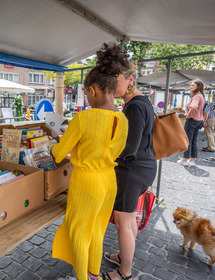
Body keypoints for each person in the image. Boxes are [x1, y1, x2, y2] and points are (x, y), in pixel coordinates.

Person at [51, 44, 130, 280]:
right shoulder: (123, 119)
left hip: (86, 182)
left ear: (93, 90)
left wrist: (56, 143)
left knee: (79, 233)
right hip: (108, 181)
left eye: (86, 93)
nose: (86, 97)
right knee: (97, 231)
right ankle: (93, 275)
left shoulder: (83, 118)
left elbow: (58, 154)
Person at [102, 63, 157, 280]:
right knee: (130, 218)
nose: (112, 87)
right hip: (142, 168)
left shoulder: (134, 107)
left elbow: (129, 148)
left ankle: (124, 273)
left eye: (116, 82)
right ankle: (124, 258)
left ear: (130, 79)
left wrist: (106, 156)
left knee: (123, 223)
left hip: (132, 170)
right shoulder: (141, 102)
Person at [177, 79, 205, 166]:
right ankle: (192, 160)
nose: (190, 87)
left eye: (193, 85)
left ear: (198, 87)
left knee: (187, 140)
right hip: (199, 121)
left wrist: (188, 116)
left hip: (192, 120)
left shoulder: (196, 96)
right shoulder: (201, 96)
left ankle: (184, 159)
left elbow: (193, 107)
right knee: (193, 141)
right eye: (190, 85)